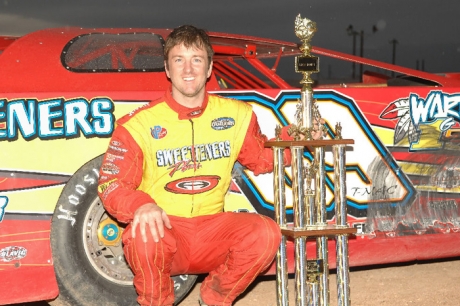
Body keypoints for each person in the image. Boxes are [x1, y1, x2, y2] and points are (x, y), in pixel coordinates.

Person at [98, 25, 294, 306]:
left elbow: (261, 159)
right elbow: (111, 184)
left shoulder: (237, 115)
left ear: (210, 67)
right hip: (166, 230)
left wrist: (295, 140)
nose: (188, 70)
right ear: (167, 68)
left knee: (265, 232)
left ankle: (215, 298)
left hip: (213, 231)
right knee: (143, 232)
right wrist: (141, 205)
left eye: (197, 60)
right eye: (179, 60)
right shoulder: (137, 124)